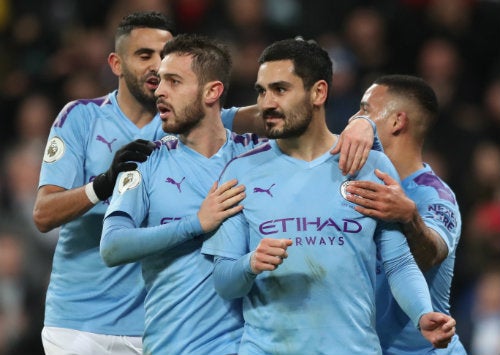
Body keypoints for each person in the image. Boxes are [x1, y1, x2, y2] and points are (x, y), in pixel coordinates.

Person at [99, 32, 376, 354]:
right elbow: (112, 246)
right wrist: (196, 223)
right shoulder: (144, 162)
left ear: (212, 91)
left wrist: (365, 122)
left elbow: (314, 136)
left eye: (173, 81)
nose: (158, 91)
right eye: (160, 81)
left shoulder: (258, 158)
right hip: (175, 345)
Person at [201, 38, 456, 355]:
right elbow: (224, 282)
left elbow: (400, 263)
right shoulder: (240, 172)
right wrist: (250, 264)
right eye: (261, 90)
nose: (265, 102)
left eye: (280, 89)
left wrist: (422, 314)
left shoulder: (369, 167)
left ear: (318, 92)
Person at [32, 11, 259, 355]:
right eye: (144, 55)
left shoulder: (180, 117)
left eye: (163, 55)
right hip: (80, 319)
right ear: (116, 63)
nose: (156, 65)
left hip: (151, 323)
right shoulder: (81, 117)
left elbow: (265, 114)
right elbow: (43, 214)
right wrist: (102, 186)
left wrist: (360, 122)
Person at [343, 74, 467, 354]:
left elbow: (431, 254)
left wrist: (409, 217)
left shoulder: (433, 195)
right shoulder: (353, 185)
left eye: (365, 109)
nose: (354, 119)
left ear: (397, 122)